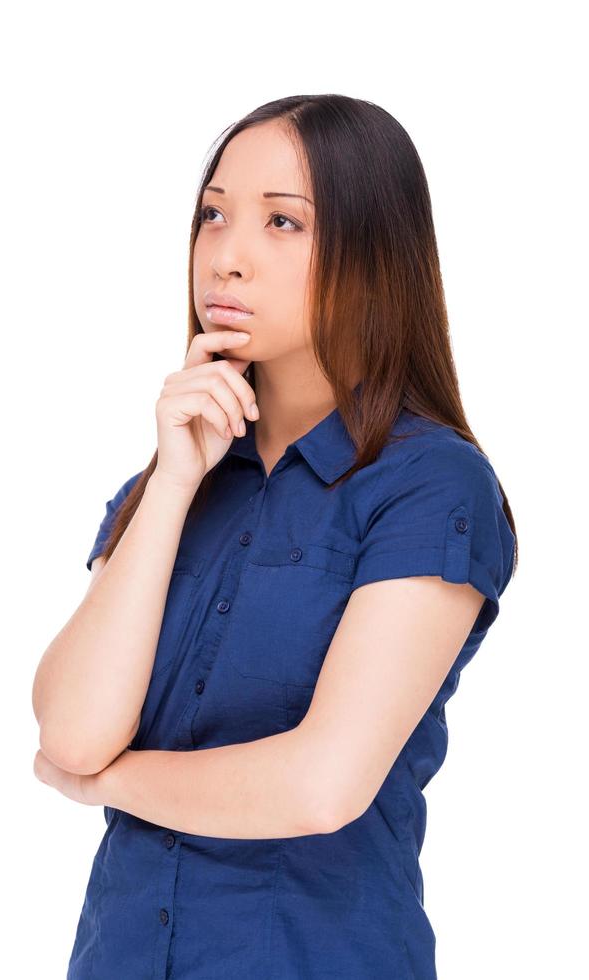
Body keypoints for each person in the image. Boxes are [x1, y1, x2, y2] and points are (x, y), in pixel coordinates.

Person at [32, 94, 518, 980]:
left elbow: (320, 784)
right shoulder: (173, 480)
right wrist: (174, 482)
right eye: (213, 215)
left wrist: (106, 786)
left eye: (283, 222)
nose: (228, 256)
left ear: (375, 256)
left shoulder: (431, 485)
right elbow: (70, 730)